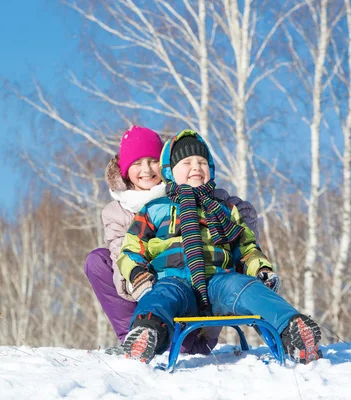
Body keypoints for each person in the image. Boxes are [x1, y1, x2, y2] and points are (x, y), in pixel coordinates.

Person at [117, 129, 323, 365]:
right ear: (169, 172)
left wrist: (259, 269)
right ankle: (148, 331)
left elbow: (246, 247)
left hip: (219, 281)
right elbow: (132, 249)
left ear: (211, 169)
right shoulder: (155, 209)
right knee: (161, 297)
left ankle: (292, 329)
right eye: (187, 162)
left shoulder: (223, 208)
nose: (196, 167)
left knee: (246, 288)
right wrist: (137, 273)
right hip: (173, 279)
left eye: (202, 162)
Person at [84, 126, 260, 355]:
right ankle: (138, 335)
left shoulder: (186, 191)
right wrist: (145, 287)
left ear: (166, 164)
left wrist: (237, 229)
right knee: (99, 260)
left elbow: (237, 208)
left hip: (195, 306)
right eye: (137, 163)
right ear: (126, 171)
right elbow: (122, 261)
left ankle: (174, 331)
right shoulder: (117, 212)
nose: (146, 170)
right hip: (151, 295)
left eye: (152, 161)